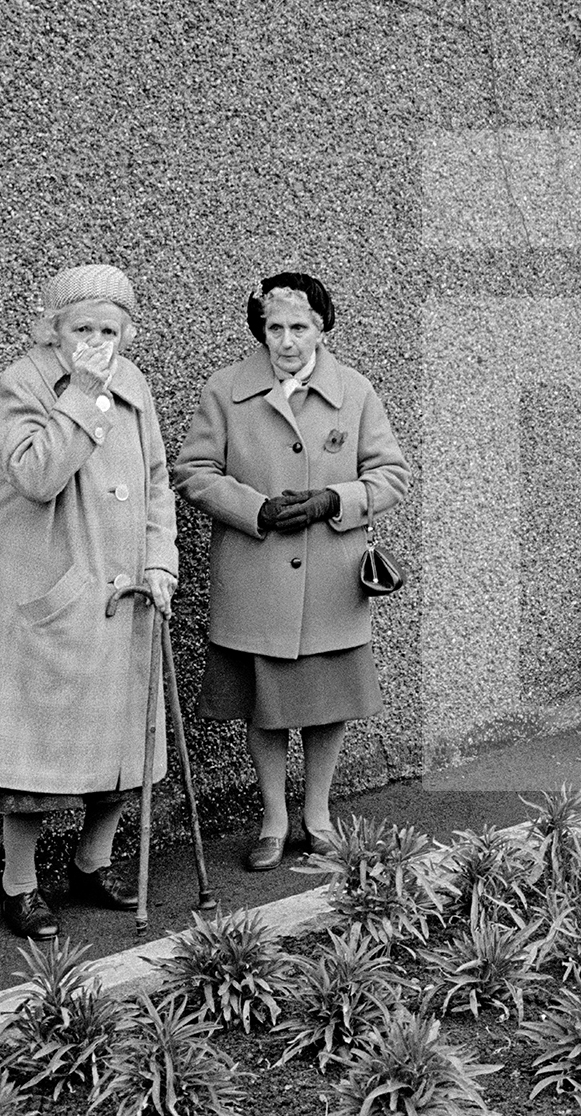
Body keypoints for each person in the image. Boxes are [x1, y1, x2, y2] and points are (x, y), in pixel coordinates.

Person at [173, 273, 409, 872]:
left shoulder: (354, 391)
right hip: (256, 578)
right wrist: (253, 507)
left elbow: (391, 475)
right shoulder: (225, 391)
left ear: (321, 328)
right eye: (274, 328)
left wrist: (338, 499)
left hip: (331, 581)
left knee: (328, 704)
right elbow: (192, 471)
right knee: (267, 705)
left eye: (299, 327)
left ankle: (318, 816)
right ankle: (274, 821)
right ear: (261, 330)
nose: (286, 341)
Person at [0, 264, 179, 940]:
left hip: (124, 589)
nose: (96, 341)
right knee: (37, 750)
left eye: (109, 330)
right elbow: (35, 475)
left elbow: (155, 483)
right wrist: (83, 392)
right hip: (55, 590)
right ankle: (19, 885)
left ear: (127, 333)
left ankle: (92, 864)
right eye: (82, 328)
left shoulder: (136, 384)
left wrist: (160, 564)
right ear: (53, 329)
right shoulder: (26, 382)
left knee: (123, 740)